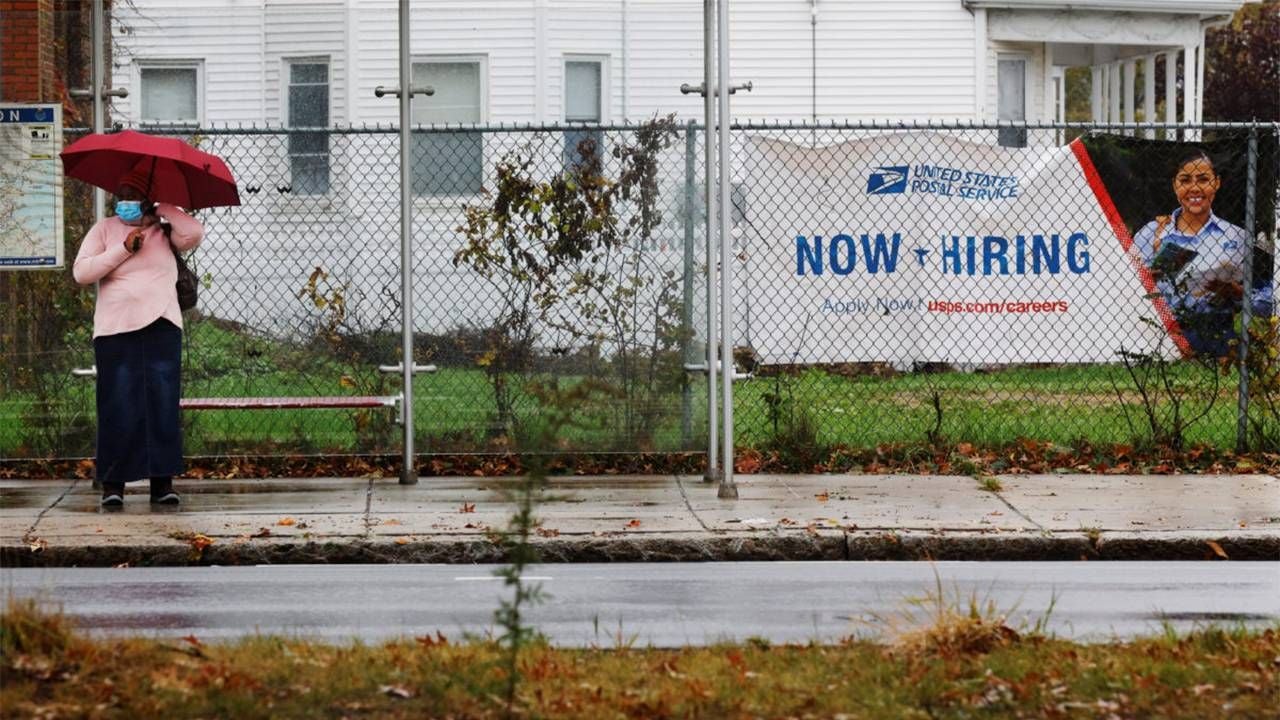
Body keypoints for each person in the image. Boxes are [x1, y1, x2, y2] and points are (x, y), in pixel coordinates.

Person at [72, 168, 204, 507]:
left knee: (161, 403)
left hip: (162, 326)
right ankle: (113, 485)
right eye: (122, 193)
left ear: (146, 198)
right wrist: (123, 249)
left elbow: (193, 232)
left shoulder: (164, 231)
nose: (125, 200)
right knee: (117, 405)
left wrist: (162, 209)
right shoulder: (104, 230)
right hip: (116, 329)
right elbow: (83, 272)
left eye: (134, 195)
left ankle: (162, 484)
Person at [1131, 150, 1274, 356]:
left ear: (1216, 183)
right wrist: (1148, 278)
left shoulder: (1238, 237)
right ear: (1175, 185)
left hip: (1221, 340)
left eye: (1203, 179)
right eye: (1185, 180)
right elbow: (1124, 289)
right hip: (1161, 340)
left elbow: (1271, 300)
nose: (1195, 188)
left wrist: (1239, 295)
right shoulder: (1151, 233)